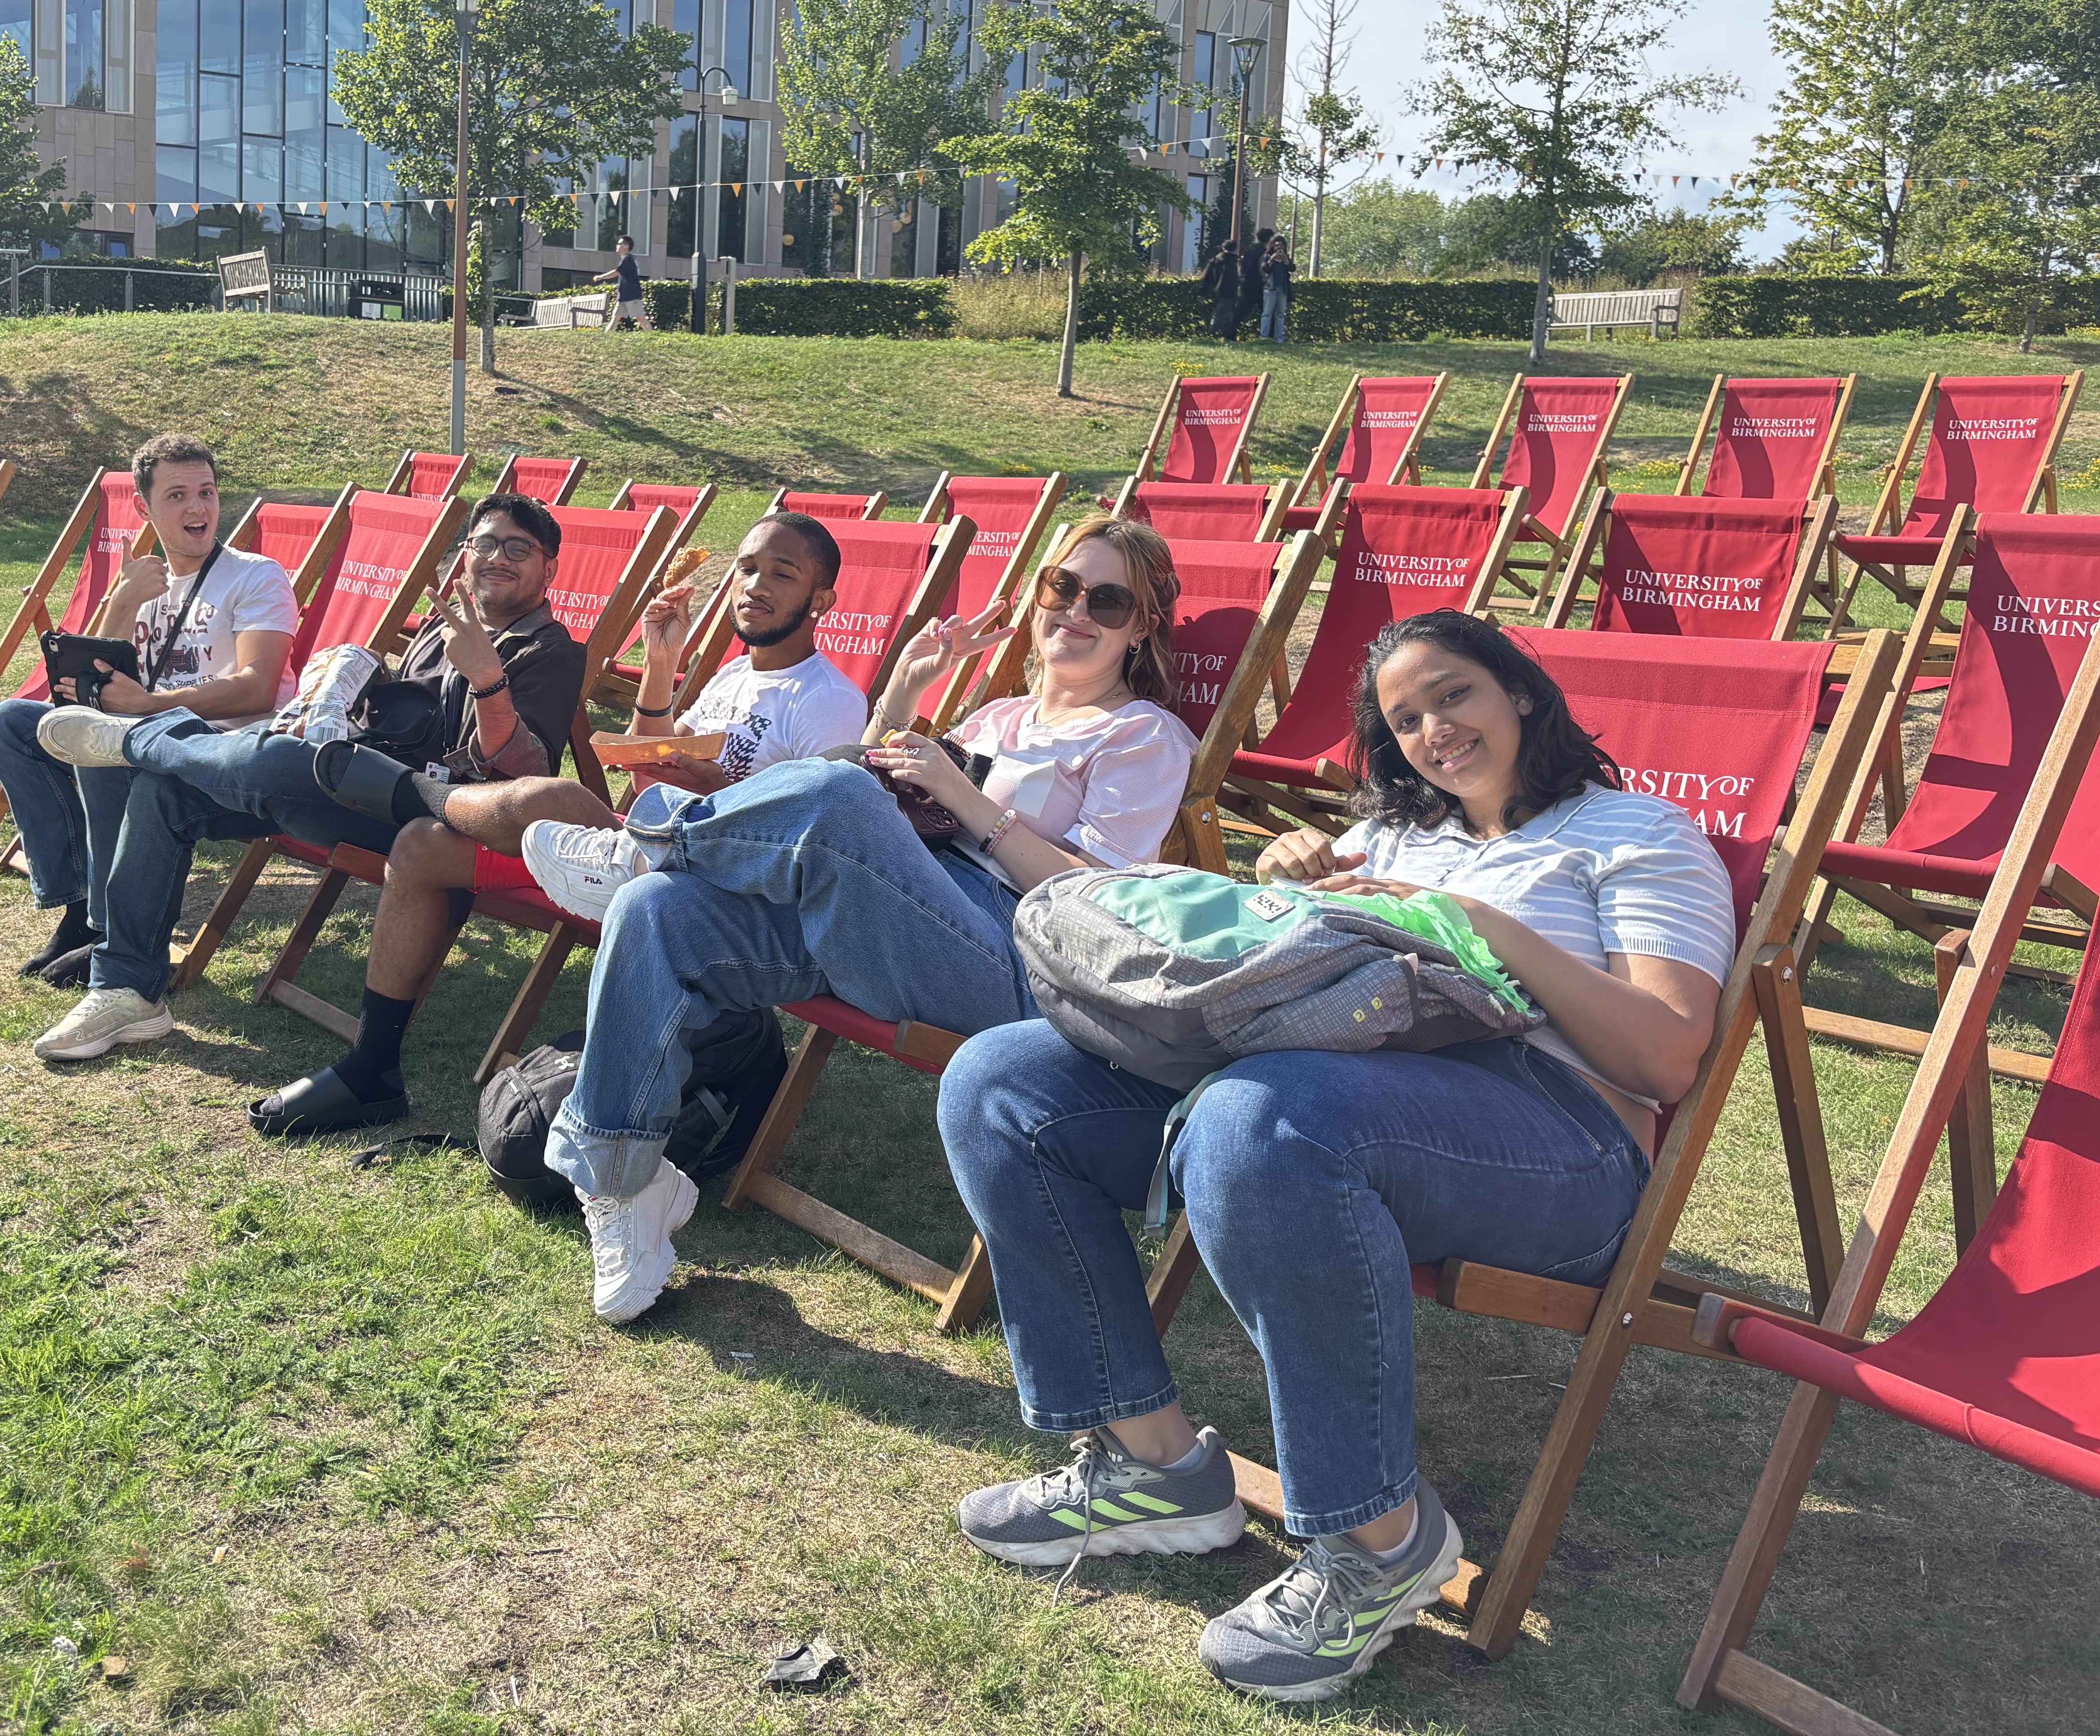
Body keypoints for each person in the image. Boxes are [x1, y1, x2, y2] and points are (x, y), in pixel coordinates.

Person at [934, 608, 1733, 1706]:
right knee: (1003, 1081)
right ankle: (1152, 1466)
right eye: (1405, 720)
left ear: (1525, 696)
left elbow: (1667, 1053)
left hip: (1561, 1142)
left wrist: (1475, 921)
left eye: (1454, 695)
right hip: (1354, 1084)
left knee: (1261, 1120)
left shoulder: (1636, 833)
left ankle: (1381, 1543)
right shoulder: (1402, 836)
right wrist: (1296, 879)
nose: (1433, 731)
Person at [519, 515, 1199, 1324]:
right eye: (1062, 586)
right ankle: (627, 1185)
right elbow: (874, 800)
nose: (1076, 610)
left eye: (1108, 599)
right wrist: (908, 691)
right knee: (655, 910)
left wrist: (963, 795)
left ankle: (656, 840)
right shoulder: (994, 718)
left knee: (825, 797)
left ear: (1140, 625)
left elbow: (1097, 897)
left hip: (1009, 958)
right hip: (891, 916)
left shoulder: (1146, 736)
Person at [249, 510, 869, 1139]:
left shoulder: (831, 700)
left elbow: (808, 839)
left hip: (709, 890)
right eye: (747, 568)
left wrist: (720, 791)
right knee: (419, 848)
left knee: (553, 795)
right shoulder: (735, 677)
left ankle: (416, 791)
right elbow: (647, 780)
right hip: (645, 851)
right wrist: (660, 664)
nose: (755, 586)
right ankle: (371, 1070)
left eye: (781, 575)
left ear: (822, 601)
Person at [15, 493, 589, 1070]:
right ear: (465, 554)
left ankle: (137, 739)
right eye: (485, 544)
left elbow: (526, 778)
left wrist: (488, 679)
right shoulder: (444, 626)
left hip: (430, 823)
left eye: (520, 549)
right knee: (166, 791)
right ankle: (126, 989)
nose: (498, 558)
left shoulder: (550, 651)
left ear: (549, 570)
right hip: (354, 776)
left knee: (275, 763)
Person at [0, 433, 299, 984]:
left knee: (105, 748)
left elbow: (258, 689)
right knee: (8, 724)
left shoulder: (255, 575)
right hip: (149, 733)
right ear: (144, 507)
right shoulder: (144, 582)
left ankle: (112, 935)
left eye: (208, 492)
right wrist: (125, 602)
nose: (199, 508)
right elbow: (94, 682)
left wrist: (151, 704)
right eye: (177, 496)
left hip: (221, 748)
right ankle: (78, 908)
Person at [606, 234, 651, 331]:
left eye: (620, 244)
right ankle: (604, 338)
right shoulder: (626, 260)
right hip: (623, 297)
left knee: (641, 319)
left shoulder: (628, 259)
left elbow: (616, 272)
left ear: (627, 246)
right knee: (615, 318)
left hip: (633, 297)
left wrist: (601, 277)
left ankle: (655, 338)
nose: (617, 246)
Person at [1201, 238, 1241, 341]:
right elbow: (1239, 277)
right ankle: (1211, 335)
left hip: (1216, 290)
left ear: (1224, 248)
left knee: (1229, 314)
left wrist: (1204, 290)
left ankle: (1230, 337)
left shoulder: (1215, 260)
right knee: (1222, 315)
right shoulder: (1236, 262)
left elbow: (1206, 276)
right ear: (1235, 249)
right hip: (1231, 291)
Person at [1260, 233, 1294, 343]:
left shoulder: (1286, 258)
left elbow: (1292, 268)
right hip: (1271, 288)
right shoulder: (1268, 257)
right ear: (1273, 247)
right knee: (1267, 313)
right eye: (1277, 246)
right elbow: (1265, 269)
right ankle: (1264, 337)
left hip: (1283, 289)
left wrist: (1286, 260)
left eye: (1282, 246)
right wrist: (1272, 260)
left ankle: (1279, 337)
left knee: (1280, 314)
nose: (1279, 248)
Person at [1236, 227, 1267, 334]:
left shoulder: (1251, 248)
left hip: (1246, 281)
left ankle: (1230, 332)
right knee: (1266, 310)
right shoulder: (1263, 250)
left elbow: (1242, 263)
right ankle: (1269, 334)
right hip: (1257, 283)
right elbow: (1261, 266)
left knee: (1243, 309)